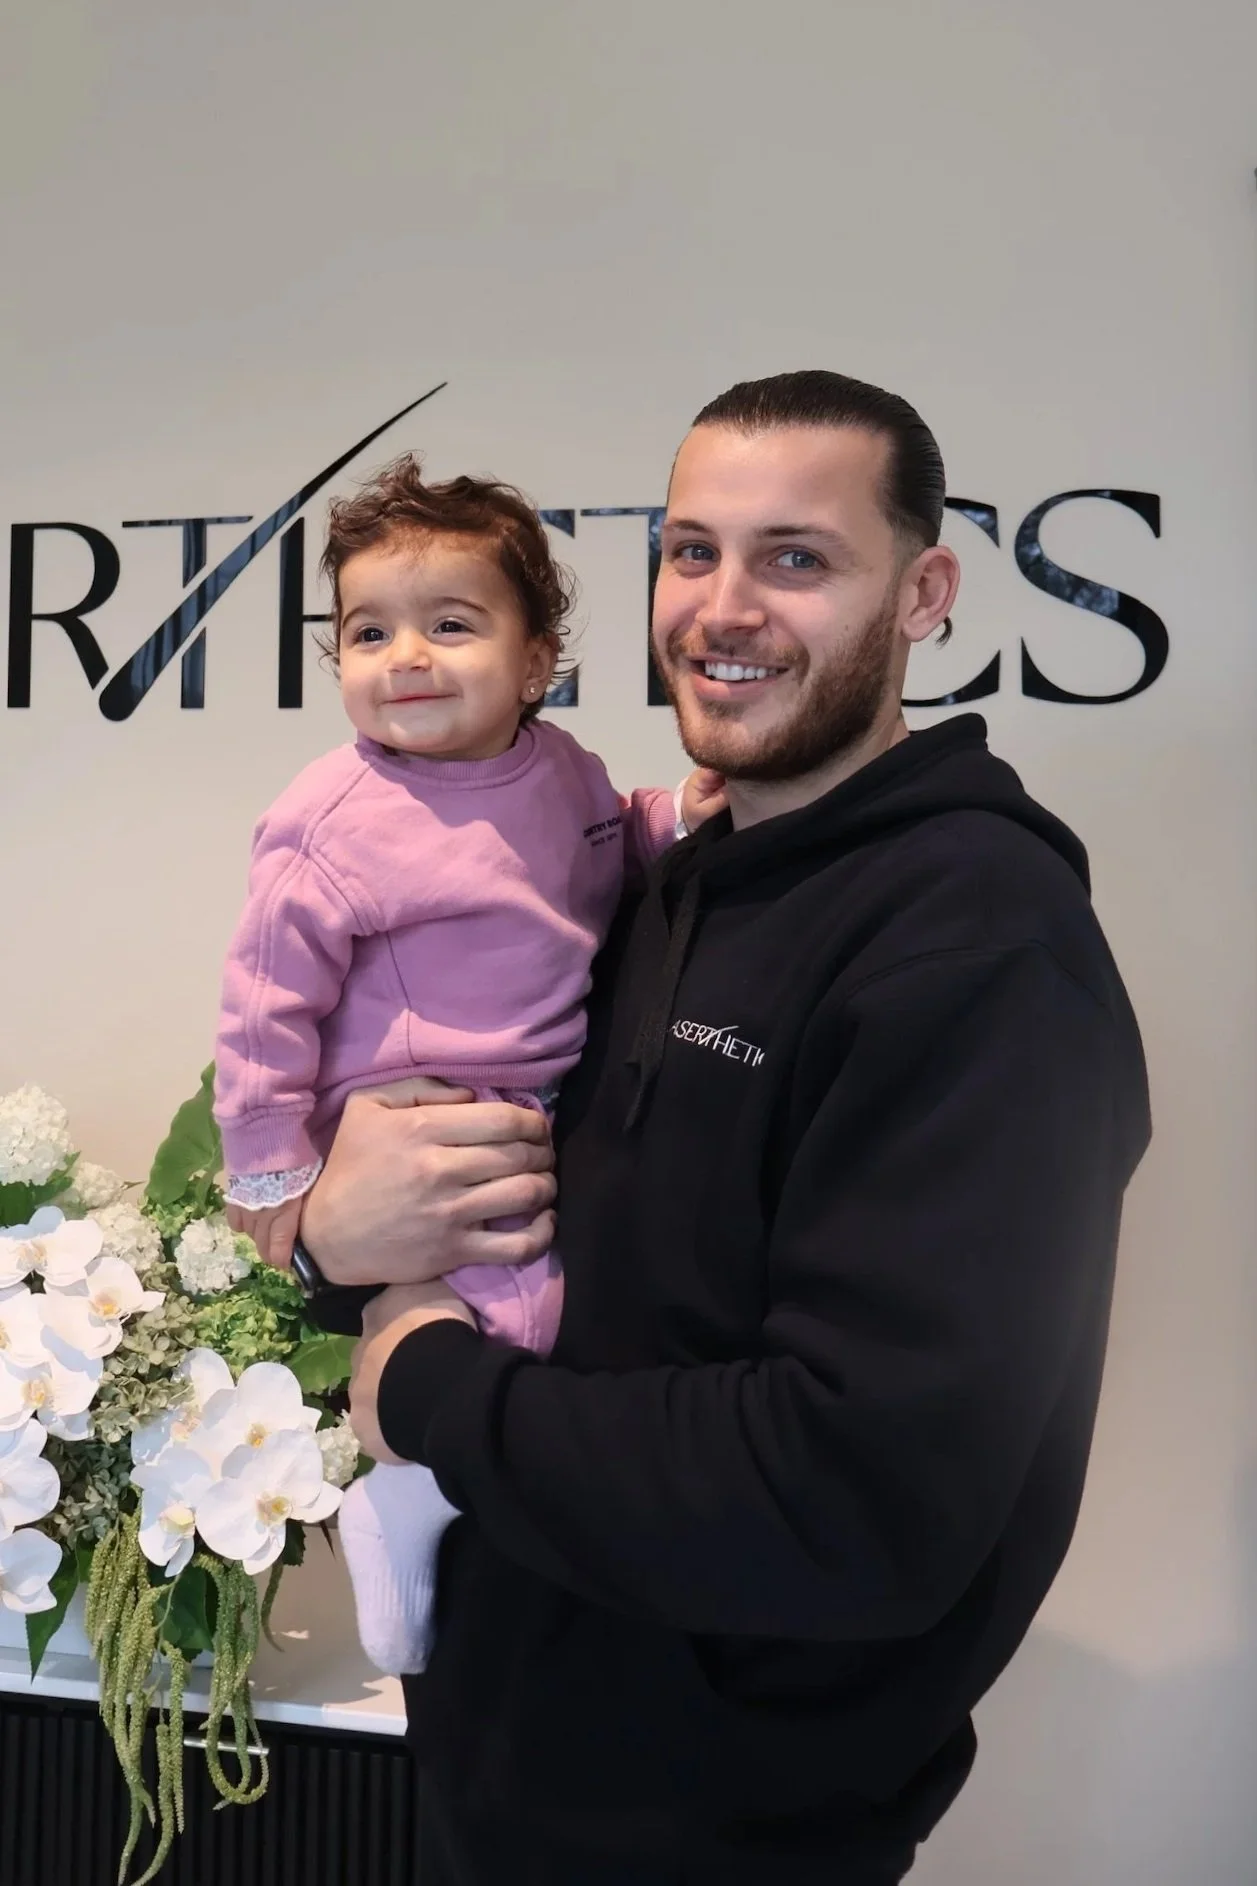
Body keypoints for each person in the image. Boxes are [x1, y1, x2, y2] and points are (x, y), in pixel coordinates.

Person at [303, 372, 1151, 1884]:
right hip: (502, 1781)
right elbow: (491, 1214)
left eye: (796, 557)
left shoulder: (978, 940)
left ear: (926, 591)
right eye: (690, 550)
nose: (722, 606)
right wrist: (322, 1235)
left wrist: (432, 1388)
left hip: (729, 1836)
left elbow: (856, 1487)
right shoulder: (650, 879)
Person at [212, 454, 720, 1674]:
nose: (408, 657)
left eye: (452, 624)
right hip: (410, 1104)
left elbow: (614, 840)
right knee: (473, 1305)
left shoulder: (563, 771)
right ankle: (404, 1492)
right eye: (370, 632)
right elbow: (261, 1004)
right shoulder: (333, 817)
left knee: (547, 1316)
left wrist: (681, 817)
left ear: (536, 657)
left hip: (534, 1097)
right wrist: (272, 1171)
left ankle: (440, 1484)